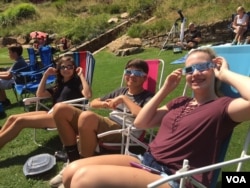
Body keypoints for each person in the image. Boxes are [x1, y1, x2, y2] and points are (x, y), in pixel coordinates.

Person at [59, 47, 250, 188]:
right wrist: (166, 89)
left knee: (83, 179)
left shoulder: (223, 107)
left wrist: (225, 74)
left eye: (202, 67)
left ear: (214, 68)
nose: (195, 74)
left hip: (175, 178)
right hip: (145, 160)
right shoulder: (180, 102)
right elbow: (142, 121)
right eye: (189, 70)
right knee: (70, 171)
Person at [49, 59, 154, 187]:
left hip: (126, 131)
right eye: (128, 71)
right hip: (110, 123)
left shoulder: (148, 96)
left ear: (145, 78)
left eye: (137, 73)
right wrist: (104, 104)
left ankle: (79, 168)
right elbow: (93, 102)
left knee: (87, 117)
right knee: (60, 109)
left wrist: (124, 99)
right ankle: (73, 160)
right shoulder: (121, 90)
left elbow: (144, 116)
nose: (132, 75)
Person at [0, 55, 92, 149]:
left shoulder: (76, 82)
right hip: (51, 113)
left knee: (20, 121)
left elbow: (88, 95)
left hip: (63, 118)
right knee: (12, 118)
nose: (66, 69)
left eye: (70, 67)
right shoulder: (59, 84)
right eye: (63, 67)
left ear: (74, 69)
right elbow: (39, 94)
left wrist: (81, 75)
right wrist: (45, 75)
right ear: (59, 69)